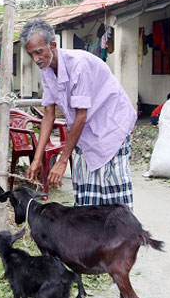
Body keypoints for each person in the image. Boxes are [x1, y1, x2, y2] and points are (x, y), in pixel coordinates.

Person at [23, 18, 137, 209]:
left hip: (112, 127)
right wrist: (36, 159)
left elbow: (81, 116)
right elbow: (49, 115)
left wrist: (62, 160)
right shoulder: (46, 68)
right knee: (87, 201)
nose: (35, 59)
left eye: (38, 52)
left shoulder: (78, 65)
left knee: (116, 203)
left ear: (52, 45)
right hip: (86, 132)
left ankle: (126, 238)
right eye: (30, 54)